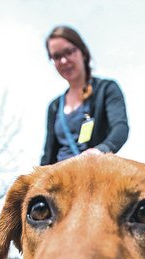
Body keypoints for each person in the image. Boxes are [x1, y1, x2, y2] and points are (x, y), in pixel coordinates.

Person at [41, 26, 129, 165]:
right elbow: (48, 154)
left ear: (82, 52)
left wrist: (101, 150)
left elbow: (120, 128)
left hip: (94, 170)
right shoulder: (54, 107)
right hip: (60, 177)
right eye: (57, 56)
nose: (64, 60)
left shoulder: (107, 89)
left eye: (68, 52)